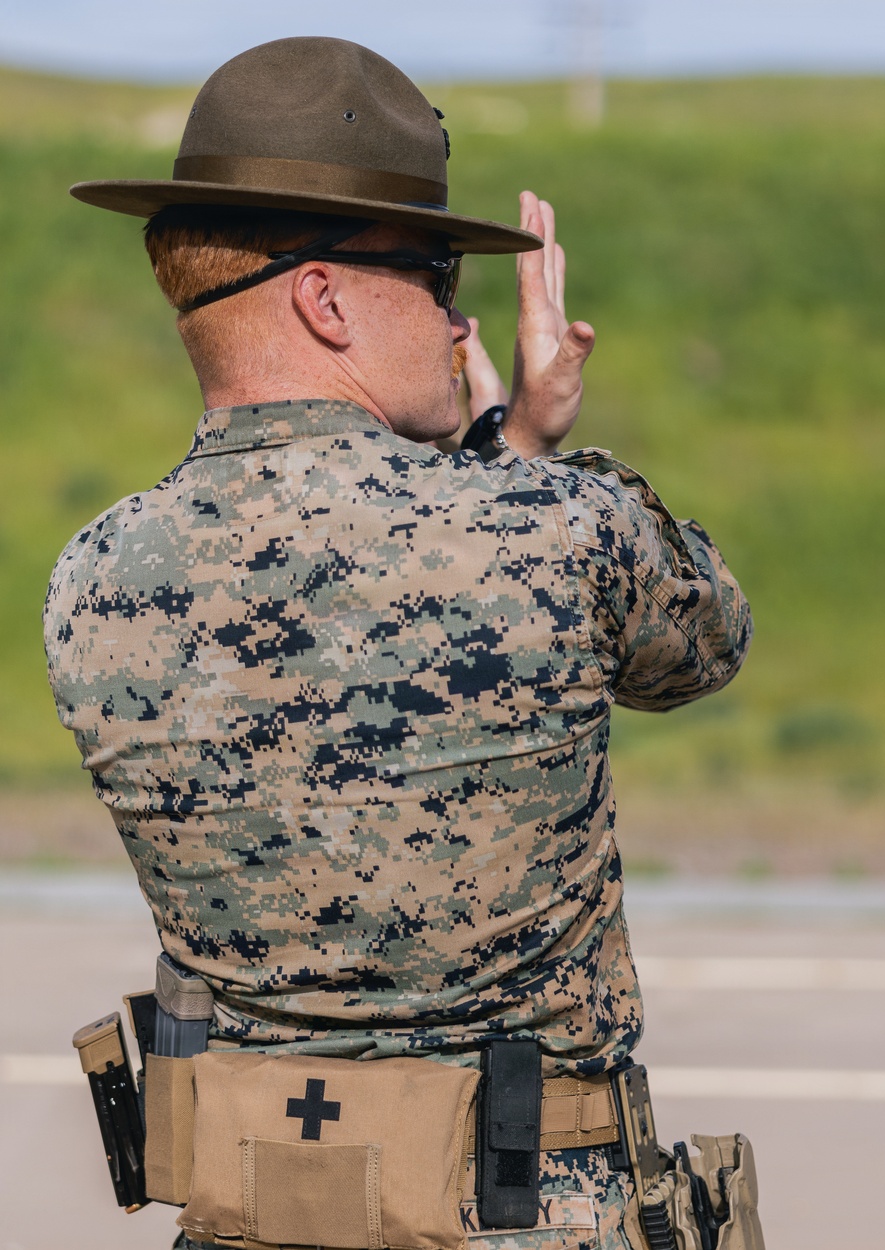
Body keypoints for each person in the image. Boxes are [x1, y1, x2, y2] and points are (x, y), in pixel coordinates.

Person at [44, 36, 752, 1250]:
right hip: (526, 1218)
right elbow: (703, 638)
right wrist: (513, 445)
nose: (457, 313)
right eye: (431, 271)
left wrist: (497, 463)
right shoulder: (548, 527)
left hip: (252, 1215)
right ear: (324, 299)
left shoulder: (93, 581)